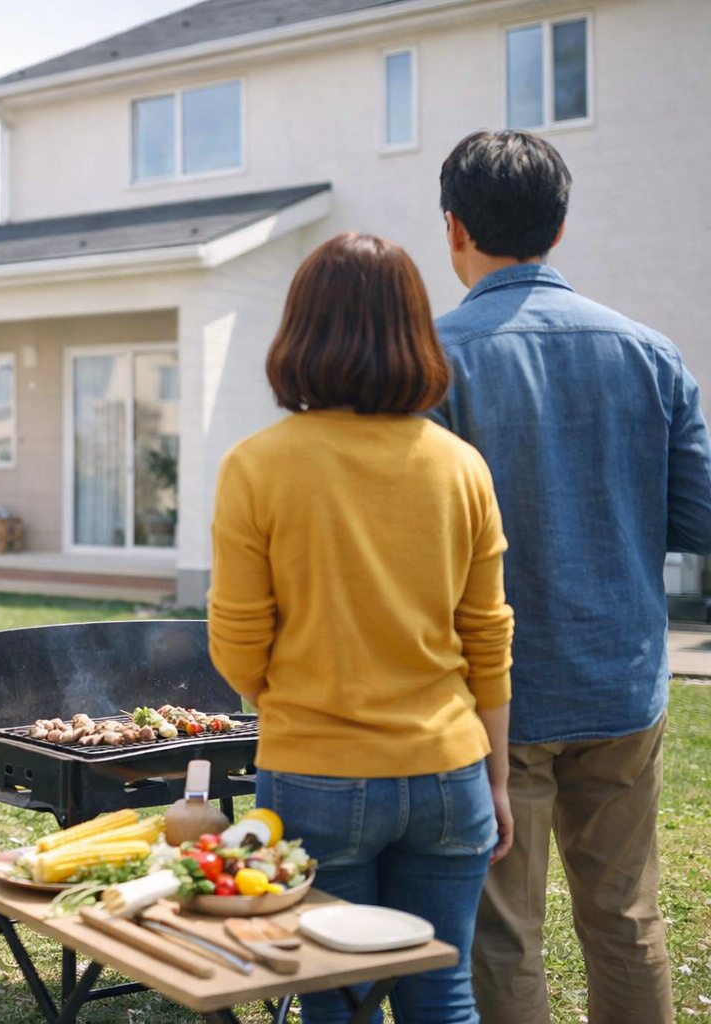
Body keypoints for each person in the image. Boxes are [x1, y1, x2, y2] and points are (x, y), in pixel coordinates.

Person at [431, 129, 711, 1024]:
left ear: (453, 228)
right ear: (559, 226)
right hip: (624, 681)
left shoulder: (432, 359)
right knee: (627, 915)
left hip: (490, 697)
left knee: (503, 931)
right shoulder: (650, 352)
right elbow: (701, 519)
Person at [208, 232, 515, 1024]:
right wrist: (500, 779)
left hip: (314, 775)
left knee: (334, 1002)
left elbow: (239, 649)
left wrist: (291, 698)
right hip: (450, 774)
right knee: (441, 995)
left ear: (299, 332)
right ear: (415, 331)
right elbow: (489, 639)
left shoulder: (257, 465)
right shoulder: (461, 466)